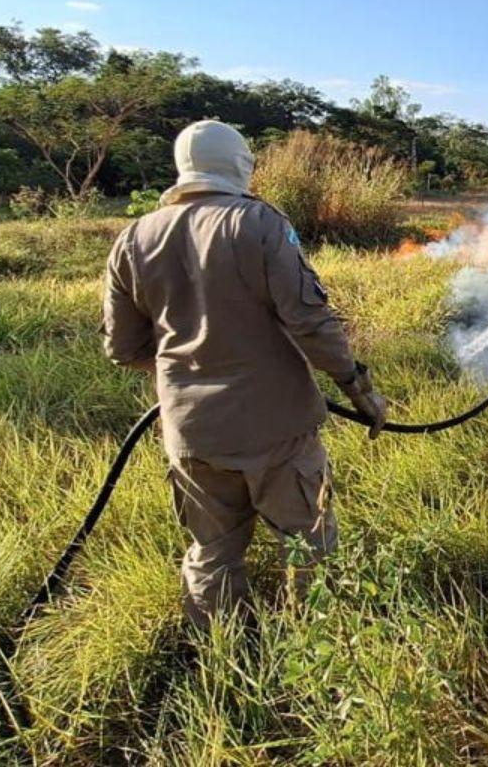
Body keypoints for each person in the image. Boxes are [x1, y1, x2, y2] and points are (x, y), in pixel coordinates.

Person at [102, 119, 389, 629]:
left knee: (212, 552)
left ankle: (223, 661)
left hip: (192, 433)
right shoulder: (259, 223)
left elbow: (123, 348)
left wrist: (189, 371)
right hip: (276, 430)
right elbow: (310, 320)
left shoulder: (133, 238)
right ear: (239, 164)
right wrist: (357, 386)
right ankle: (319, 654)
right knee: (310, 547)